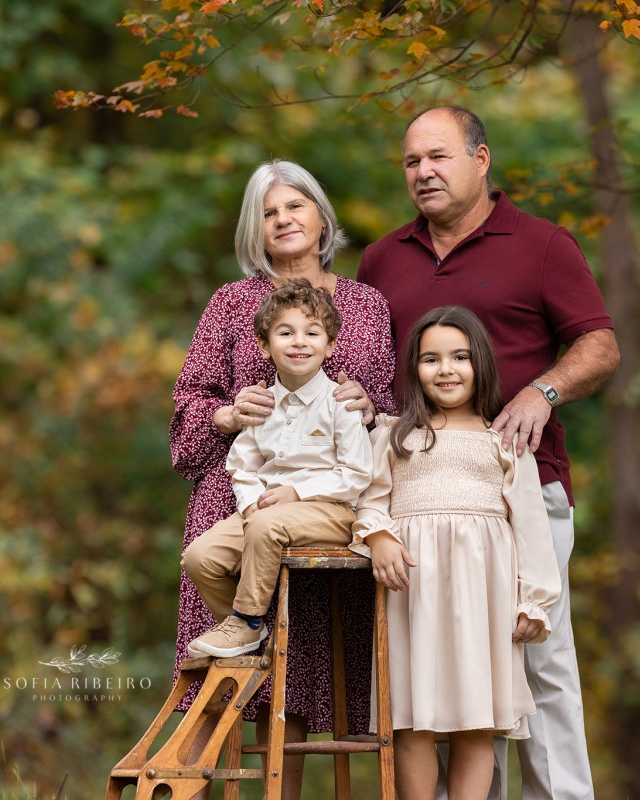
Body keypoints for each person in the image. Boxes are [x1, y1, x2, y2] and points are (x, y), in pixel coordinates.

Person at [357, 106, 621, 800]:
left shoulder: (541, 245)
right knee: (446, 672)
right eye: (412, 161)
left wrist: (543, 391)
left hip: (522, 490)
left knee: (538, 662)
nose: (423, 173)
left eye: (439, 157)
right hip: (417, 504)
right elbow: (366, 370)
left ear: (481, 159)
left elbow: (600, 346)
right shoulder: (381, 260)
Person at [169, 159, 395, 798]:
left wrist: (369, 404)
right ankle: (190, 786)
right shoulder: (233, 303)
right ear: (256, 232)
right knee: (219, 682)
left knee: (296, 681)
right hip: (237, 496)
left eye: (295, 205)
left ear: (322, 216)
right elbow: (187, 401)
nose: (284, 219)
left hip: (328, 505)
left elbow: (389, 405)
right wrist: (224, 413)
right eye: (269, 213)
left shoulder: (367, 305)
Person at [350, 305, 561, 800]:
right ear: (414, 370)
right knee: (413, 715)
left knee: (477, 718)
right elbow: (366, 500)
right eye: (431, 360)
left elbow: (531, 527)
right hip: (412, 593)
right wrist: (379, 536)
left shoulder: (504, 442)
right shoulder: (395, 435)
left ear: (480, 364)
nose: (445, 370)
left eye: (459, 357)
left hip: (482, 596)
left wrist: (535, 601)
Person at [184, 279, 372, 657]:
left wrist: (296, 493)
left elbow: (357, 474)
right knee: (199, 557)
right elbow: (241, 464)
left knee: (269, 526)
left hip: (331, 510)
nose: (299, 342)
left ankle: (247, 620)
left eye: (312, 332)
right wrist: (251, 501)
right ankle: (247, 633)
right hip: (267, 512)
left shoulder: (340, 403)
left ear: (330, 345)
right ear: (265, 347)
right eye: (286, 333)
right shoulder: (262, 403)